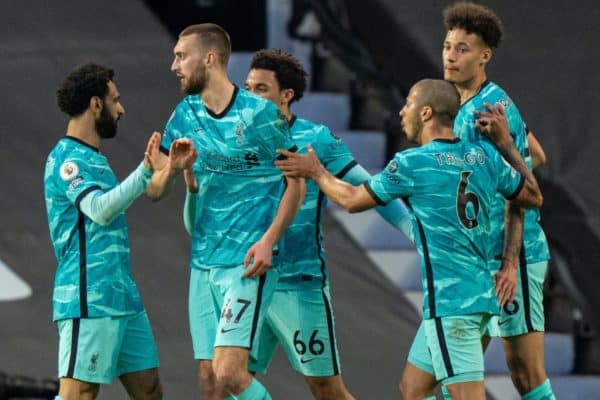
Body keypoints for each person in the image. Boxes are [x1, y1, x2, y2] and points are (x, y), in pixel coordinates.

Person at [276, 78, 543, 400]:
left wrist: (316, 172)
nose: (402, 112)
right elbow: (532, 196)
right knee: (414, 388)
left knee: (467, 395)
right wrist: (509, 148)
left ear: (426, 112)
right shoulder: (483, 156)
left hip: (452, 302)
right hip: (481, 292)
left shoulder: (412, 163)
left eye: (409, 104)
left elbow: (351, 200)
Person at [195, 48, 410, 399]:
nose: (249, 96)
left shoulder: (316, 139)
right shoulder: (233, 139)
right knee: (224, 378)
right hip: (248, 279)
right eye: (247, 87)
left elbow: (369, 189)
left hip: (298, 282)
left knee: (327, 390)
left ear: (286, 95)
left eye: (261, 89)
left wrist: (415, 233)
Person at [146, 24, 304, 400]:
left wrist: (269, 242)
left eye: (181, 55)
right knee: (209, 383)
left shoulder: (260, 116)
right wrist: (173, 170)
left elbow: (296, 184)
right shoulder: (184, 115)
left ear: (210, 58)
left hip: (247, 262)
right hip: (203, 263)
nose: (174, 65)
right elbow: (153, 190)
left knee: (230, 374)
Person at [44, 63, 194, 400]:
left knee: (149, 391)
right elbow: (99, 209)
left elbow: (145, 191)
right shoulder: (67, 159)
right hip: (89, 295)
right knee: (78, 395)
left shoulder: (95, 159)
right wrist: (144, 171)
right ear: (96, 104)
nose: (122, 108)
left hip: (122, 295)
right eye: (116, 100)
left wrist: (167, 170)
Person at [437, 3, 554, 399]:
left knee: (525, 374)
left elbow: (521, 188)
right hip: (478, 255)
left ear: (484, 56)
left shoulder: (491, 109)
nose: (452, 55)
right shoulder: (457, 104)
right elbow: (535, 153)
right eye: (448, 45)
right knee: (451, 371)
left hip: (511, 256)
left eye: (463, 48)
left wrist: (509, 263)